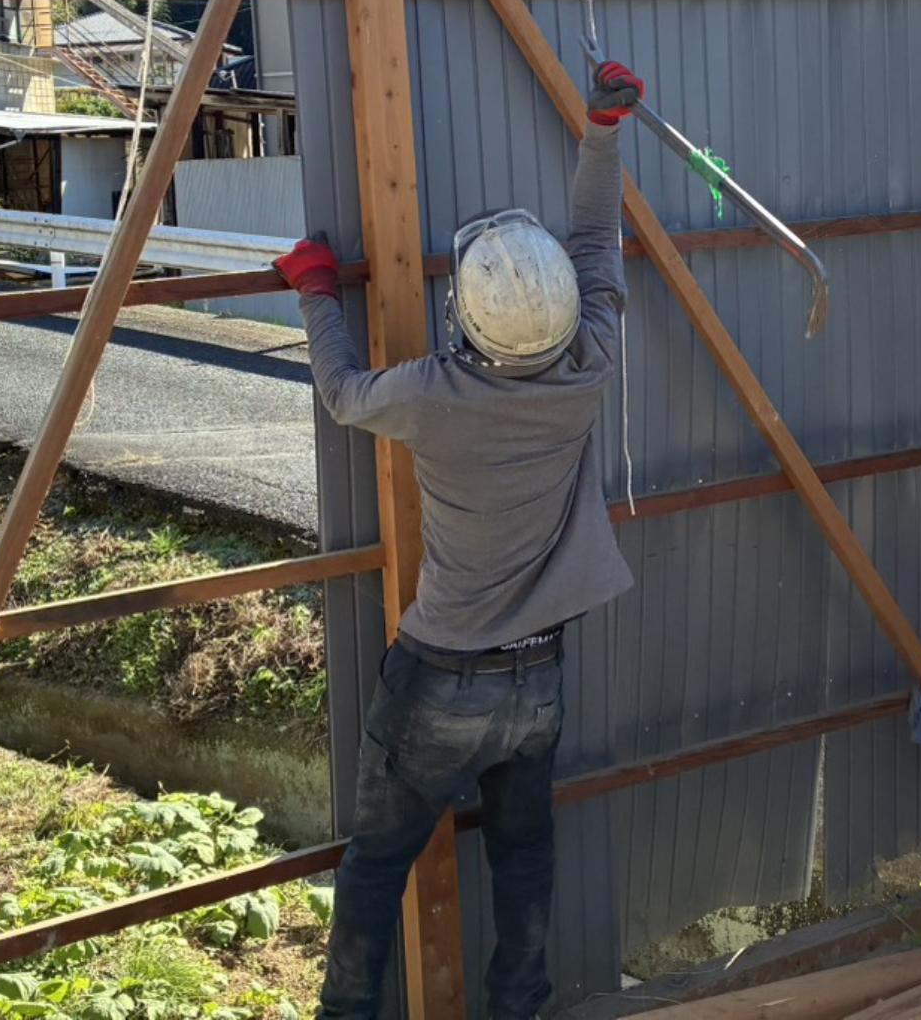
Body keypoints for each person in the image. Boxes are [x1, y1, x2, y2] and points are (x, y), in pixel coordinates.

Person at [275, 61, 647, 1020]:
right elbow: (597, 239)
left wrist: (318, 291)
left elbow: (345, 392)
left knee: (374, 866)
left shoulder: (432, 397)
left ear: (464, 319)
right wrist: (602, 128)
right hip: (538, 680)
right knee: (524, 857)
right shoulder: (590, 363)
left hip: (441, 675)